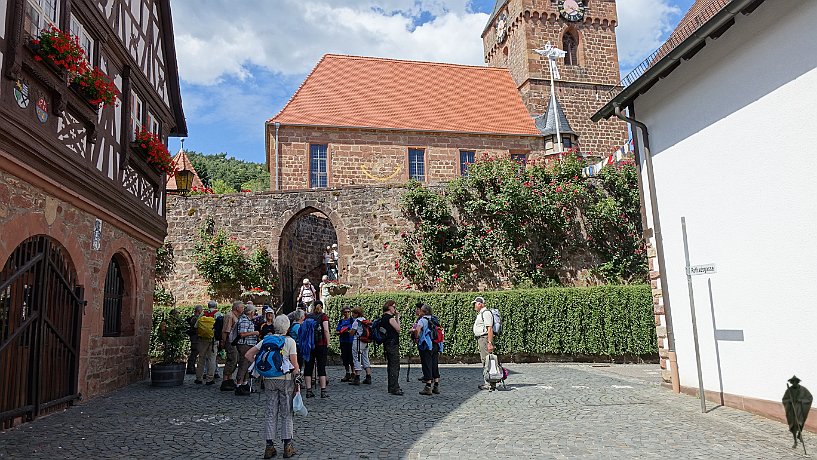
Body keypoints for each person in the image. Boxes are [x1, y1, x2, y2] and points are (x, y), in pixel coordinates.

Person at [244, 314, 301, 459]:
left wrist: (261, 368)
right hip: (286, 380)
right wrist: (298, 381)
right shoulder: (290, 341)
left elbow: (248, 354)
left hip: (269, 379)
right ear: (287, 327)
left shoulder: (266, 340)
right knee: (286, 412)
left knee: (270, 411)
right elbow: (295, 365)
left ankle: (269, 447)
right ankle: (287, 446)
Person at [303, 300, 330, 398]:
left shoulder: (307, 316)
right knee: (321, 367)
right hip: (321, 344)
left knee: (308, 367)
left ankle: (308, 390)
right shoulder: (323, 316)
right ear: (321, 307)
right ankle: (323, 391)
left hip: (309, 345)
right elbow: (326, 330)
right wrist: (328, 342)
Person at [412, 304, 440, 395]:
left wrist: (416, 338)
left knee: (427, 364)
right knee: (434, 363)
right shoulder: (434, 319)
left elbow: (417, 330)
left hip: (426, 344)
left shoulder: (422, 320)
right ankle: (436, 385)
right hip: (435, 343)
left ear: (423, 312)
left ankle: (428, 386)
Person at [235, 303, 260, 396]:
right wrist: (254, 332)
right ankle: (239, 385)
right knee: (243, 364)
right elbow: (242, 334)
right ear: (251, 312)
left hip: (249, 344)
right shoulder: (245, 321)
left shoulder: (248, 320)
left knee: (247, 365)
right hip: (244, 345)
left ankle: (244, 383)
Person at [472, 296, 495, 391]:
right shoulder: (482, 313)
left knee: (487, 360)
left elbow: (489, 329)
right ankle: (489, 381)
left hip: (484, 339)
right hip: (482, 339)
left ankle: (490, 383)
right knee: (485, 360)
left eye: (475, 304)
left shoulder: (486, 313)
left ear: (480, 304)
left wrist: (489, 343)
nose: (474, 306)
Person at [220, 300, 243, 392]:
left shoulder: (236, 316)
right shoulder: (229, 316)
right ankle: (225, 380)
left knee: (235, 359)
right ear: (237, 308)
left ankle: (229, 379)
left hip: (234, 341)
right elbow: (226, 330)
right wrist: (224, 341)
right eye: (242, 307)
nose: (243, 309)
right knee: (231, 359)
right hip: (229, 341)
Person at [381, 300, 403, 396]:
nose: (395, 308)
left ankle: (391, 386)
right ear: (389, 307)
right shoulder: (390, 318)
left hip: (387, 343)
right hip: (393, 343)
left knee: (390, 366)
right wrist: (397, 317)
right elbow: (398, 329)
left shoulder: (383, 318)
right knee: (395, 366)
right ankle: (394, 387)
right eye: (394, 307)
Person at [195, 303, 218, 385]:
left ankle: (199, 378)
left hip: (202, 339)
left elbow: (196, 326)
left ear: (208, 306)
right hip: (213, 340)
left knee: (201, 358)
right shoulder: (218, 314)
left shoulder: (202, 314)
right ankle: (209, 379)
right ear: (216, 306)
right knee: (212, 359)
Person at [349, 307, 372, 386]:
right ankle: (368, 376)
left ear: (356, 314)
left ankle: (357, 377)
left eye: (353, 313)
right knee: (365, 358)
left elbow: (352, 333)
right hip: (365, 342)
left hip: (358, 341)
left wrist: (349, 331)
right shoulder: (365, 320)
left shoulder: (356, 322)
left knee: (356, 358)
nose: (352, 315)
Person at [335, 306, 355, 382]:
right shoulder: (341, 322)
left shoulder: (352, 321)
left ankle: (353, 373)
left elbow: (355, 330)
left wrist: (349, 331)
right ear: (342, 313)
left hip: (351, 341)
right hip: (343, 341)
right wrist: (340, 332)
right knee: (345, 358)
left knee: (352, 358)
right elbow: (337, 331)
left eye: (348, 312)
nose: (347, 313)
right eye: (345, 312)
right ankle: (347, 373)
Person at [185, 305, 203, 374]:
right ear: (199, 311)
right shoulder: (196, 318)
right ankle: (190, 368)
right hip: (195, 338)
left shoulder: (194, 318)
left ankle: (191, 367)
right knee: (194, 353)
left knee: (194, 353)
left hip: (194, 337)